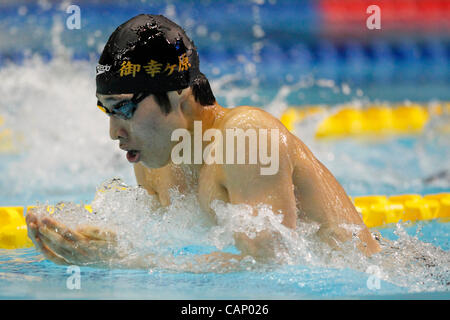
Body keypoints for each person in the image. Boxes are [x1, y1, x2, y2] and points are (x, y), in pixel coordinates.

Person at [26, 14, 380, 269]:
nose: (114, 132)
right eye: (107, 112)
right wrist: (88, 243)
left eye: (125, 109)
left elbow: (271, 266)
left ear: (181, 100)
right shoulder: (156, 163)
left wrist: (124, 262)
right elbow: (158, 242)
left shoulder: (247, 136)